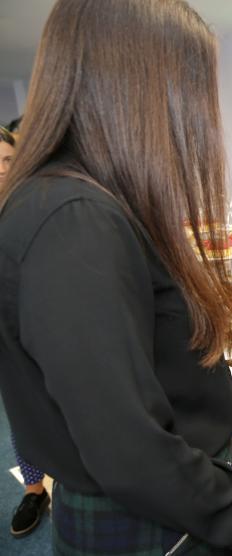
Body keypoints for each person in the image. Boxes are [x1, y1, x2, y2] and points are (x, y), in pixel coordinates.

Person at [0, 1, 232, 553]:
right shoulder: (72, 222)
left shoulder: (86, 201)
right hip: (150, 529)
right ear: (138, 91)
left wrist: (225, 428)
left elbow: (138, 376)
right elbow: (129, 453)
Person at [1, 123, 51, 539]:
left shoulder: (36, 204)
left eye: (6, 160)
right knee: (22, 413)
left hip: (43, 326)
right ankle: (34, 490)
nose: (1, 170)